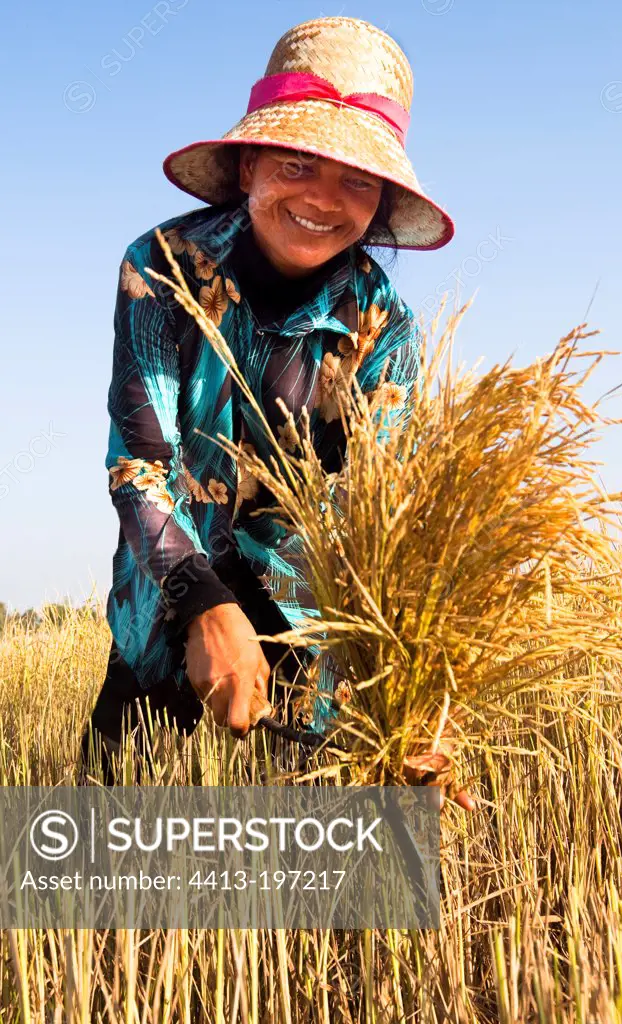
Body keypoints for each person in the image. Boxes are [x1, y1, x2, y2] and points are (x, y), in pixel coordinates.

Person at [79, 16, 474, 811]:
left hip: (310, 633)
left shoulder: (383, 326)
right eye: (299, 162)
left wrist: (418, 691)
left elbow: (381, 524)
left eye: (357, 180)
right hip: (168, 604)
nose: (324, 200)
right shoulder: (160, 269)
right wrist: (203, 605)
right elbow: (140, 468)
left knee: (317, 883)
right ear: (251, 161)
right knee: (108, 863)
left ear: (383, 200)